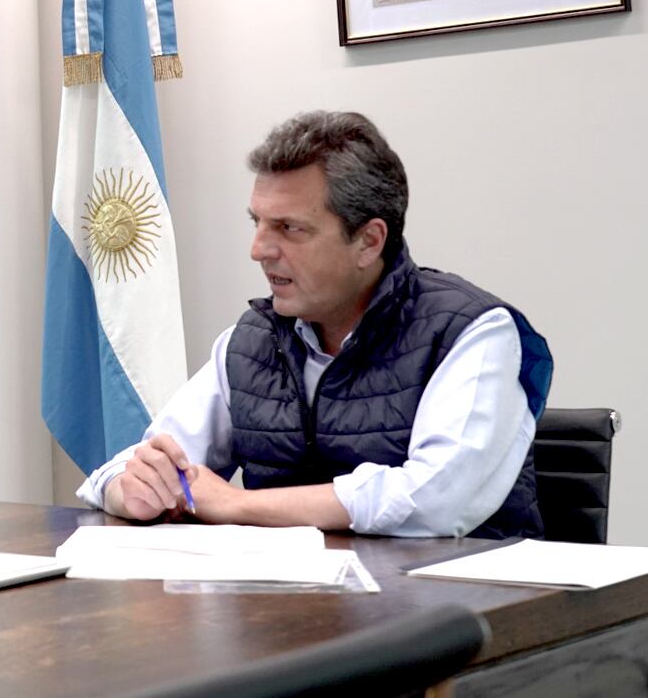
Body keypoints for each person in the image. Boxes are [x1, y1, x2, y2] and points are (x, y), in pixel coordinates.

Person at [79, 111, 553, 538]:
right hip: (295, 615)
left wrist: (239, 505)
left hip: (462, 617)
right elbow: (141, 463)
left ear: (368, 241)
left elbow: (435, 501)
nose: (259, 249)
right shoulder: (252, 341)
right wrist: (133, 489)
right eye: (257, 223)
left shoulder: (472, 332)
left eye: (289, 228)